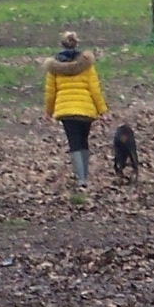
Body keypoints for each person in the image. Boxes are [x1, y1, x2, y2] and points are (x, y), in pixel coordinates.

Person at [42, 29, 107, 191]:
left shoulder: (54, 68)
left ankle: (81, 178)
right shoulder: (87, 64)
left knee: (74, 142)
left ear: (61, 44)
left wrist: (48, 112)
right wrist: (102, 110)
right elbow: (95, 89)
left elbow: (50, 93)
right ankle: (84, 175)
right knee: (83, 141)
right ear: (76, 44)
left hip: (66, 110)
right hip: (86, 110)